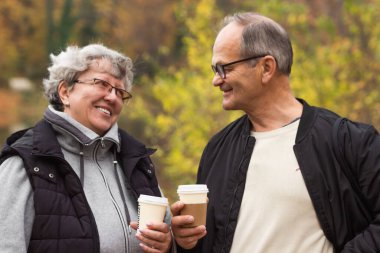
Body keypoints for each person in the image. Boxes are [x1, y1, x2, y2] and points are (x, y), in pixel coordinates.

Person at [171, 12, 380, 253]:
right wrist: (184, 241)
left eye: (223, 68)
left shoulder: (348, 141)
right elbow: (207, 242)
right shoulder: (218, 149)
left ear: (266, 68)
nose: (215, 81)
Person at [0, 44, 173, 253]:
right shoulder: (25, 163)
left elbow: (167, 234)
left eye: (120, 92)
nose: (112, 97)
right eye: (101, 84)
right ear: (65, 92)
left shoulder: (138, 161)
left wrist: (168, 243)